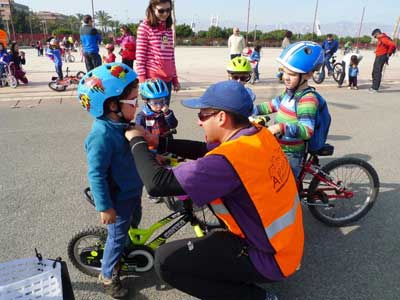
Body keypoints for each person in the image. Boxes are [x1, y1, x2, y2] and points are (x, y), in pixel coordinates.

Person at [124, 80, 303, 300]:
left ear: (221, 117)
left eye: (202, 115)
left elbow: (157, 183)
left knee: (165, 261)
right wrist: (158, 142)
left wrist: (136, 140)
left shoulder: (228, 161)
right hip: (287, 246)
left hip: (269, 258)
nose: (199, 123)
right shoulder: (257, 135)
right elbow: (203, 150)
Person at [77, 63, 143, 299]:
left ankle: (123, 246)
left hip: (132, 193)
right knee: (116, 240)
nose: (137, 106)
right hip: (117, 199)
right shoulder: (101, 135)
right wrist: (105, 207)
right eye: (133, 102)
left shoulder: (122, 124)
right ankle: (107, 276)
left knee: (130, 226)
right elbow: (96, 174)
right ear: (112, 105)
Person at [253, 41, 324, 178]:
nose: (285, 77)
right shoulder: (290, 92)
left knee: (283, 186)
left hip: (291, 153)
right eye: (283, 72)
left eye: (291, 74)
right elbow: (273, 105)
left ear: (308, 75)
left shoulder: (307, 99)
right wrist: (251, 110)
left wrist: (281, 127)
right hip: (279, 146)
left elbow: (307, 131)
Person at [136, 0, 180, 106]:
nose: (165, 14)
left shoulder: (168, 29)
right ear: (152, 8)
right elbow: (140, 58)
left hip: (167, 80)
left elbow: (170, 57)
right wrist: (142, 82)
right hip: (153, 81)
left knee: (164, 115)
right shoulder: (145, 27)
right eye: (161, 11)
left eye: (168, 10)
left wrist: (175, 79)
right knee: (153, 117)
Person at [369, 28, 396, 93]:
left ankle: (375, 88)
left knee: (377, 72)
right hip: (379, 56)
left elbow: (392, 45)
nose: (375, 38)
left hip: (381, 57)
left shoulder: (383, 38)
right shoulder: (382, 38)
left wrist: (388, 53)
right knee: (374, 72)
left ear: (377, 34)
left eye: (375, 36)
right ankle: (374, 87)